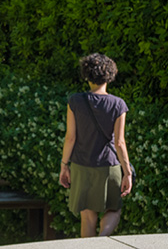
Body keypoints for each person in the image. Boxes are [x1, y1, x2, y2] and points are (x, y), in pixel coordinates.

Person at [59, 53, 133, 237]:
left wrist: (64, 165)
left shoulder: (75, 101)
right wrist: (128, 172)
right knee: (114, 209)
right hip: (109, 166)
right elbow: (120, 142)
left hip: (81, 165)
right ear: (110, 75)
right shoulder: (118, 104)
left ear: (87, 75)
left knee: (87, 215)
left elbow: (70, 137)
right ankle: (102, 239)